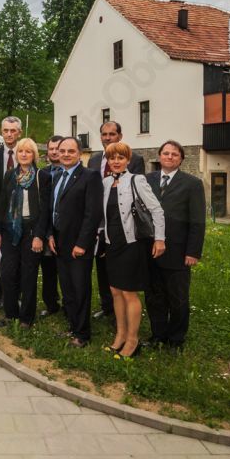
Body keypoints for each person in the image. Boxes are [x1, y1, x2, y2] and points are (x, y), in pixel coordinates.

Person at [37, 136, 103, 348]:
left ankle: (83, 334)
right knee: (67, 289)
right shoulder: (56, 176)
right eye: (62, 151)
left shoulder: (90, 176)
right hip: (58, 242)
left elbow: (92, 214)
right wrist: (49, 235)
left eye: (71, 151)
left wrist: (82, 243)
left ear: (80, 153)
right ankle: (74, 326)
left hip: (78, 244)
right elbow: (51, 209)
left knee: (80, 288)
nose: (65, 154)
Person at [102, 141, 165, 359]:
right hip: (112, 244)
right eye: (112, 158)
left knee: (129, 292)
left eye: (120, 157)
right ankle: (120, 335)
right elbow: (104, 216)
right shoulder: (106, 182)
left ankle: (132, 339)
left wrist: (160, 239)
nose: (116, 161)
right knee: (115, 291)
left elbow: (156, 210)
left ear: (128, 160)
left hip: (131, 243)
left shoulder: (136, 180)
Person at [145, 140, 206, 350]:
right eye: (166, 153)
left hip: (178, 251)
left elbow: (198, 221)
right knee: (154, 296)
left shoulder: (192, 184)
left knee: (177, 298)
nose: (169, 157)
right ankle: (158, 335)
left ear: (181, 159)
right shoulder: (147, 179)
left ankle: (176, 339)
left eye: (174, 154)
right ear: (159, 156)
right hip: (150, 249)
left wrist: (193, 252)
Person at [88, 121, 146, 321]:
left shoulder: (135, 159)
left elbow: (138, 194)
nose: (108, 138)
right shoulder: (94, 160)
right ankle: (107, 307)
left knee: (123, 271)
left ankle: (124, 309)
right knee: (102, 267)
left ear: (120, 136)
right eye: (104, 134)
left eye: (112, 134)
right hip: (100, 224)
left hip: (124, 225)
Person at [0, 138, 43, 327]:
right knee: (7, 273)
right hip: (10, 230)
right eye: (21, 151)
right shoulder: (10, 175)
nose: (23, 154)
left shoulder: (41, 177)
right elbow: (2, 204)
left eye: (28, 151)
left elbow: (45, 210)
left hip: (31, 231)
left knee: (28, 275)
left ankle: (26, 318)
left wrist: (39, 235)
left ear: (34, 155)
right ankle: (10, 314)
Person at [0, 116, 23, 307]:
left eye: (13, 131)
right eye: (6, 130)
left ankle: (17, 291)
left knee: (17, 253)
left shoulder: (26, 153)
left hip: (20, 214)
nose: (9, 134)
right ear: (1, 132)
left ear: (19, 133)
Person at [36, 136, 63, 317]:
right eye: (51, 148)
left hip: (65, 228)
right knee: (48, 268)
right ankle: (51, 303)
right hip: (46, 226)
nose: (54, 152)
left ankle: (69, 304)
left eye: (57, 148)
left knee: (66, 270)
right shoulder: (42, 173)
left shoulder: (72, 172)